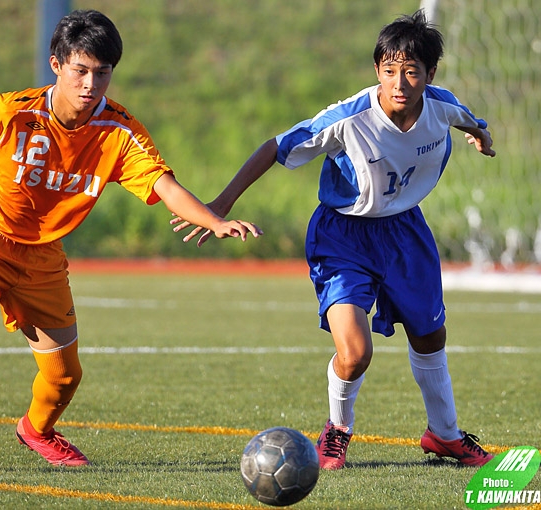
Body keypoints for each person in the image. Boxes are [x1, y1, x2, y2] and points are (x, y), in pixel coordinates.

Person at [0, 9, 262, 472]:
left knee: (64, 377)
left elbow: (164, 186)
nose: (91, 84)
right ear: (57, 65)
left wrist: (211, 221)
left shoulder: (120, 131)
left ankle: (37, 430)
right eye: (81, 71)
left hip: (41, 257)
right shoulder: (13, 110)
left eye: (103, 72)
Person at [173, 10, 496, 470]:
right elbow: (276, 146)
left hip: (406, 230)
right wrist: (220, 205)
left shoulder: (442, 105)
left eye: (411, 72)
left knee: (430, 336)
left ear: (430, 74)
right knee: (356, 353)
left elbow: (470, 121)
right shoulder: (349, 118)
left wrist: (481, 137)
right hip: (344, 236)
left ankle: (443, 435)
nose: (399, 82)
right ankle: (337, 430)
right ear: (377, 71)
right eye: (388, 71)